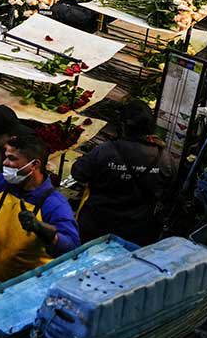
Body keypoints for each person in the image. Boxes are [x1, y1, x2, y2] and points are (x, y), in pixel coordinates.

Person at [71, 100, 176, 245]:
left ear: (123, 126)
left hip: (96, 227)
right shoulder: (164, 158)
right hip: (136, 232)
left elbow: (78, 173)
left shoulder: (105, 151)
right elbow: (169, 192)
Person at [0, 136, 81, 281]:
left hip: (22, 291)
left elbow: (72, 250)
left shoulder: (54, 205)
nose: (5, 163)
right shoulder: (3, 184)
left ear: (34, 165)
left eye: (12, 159)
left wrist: (45, 231)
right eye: (6, 157)